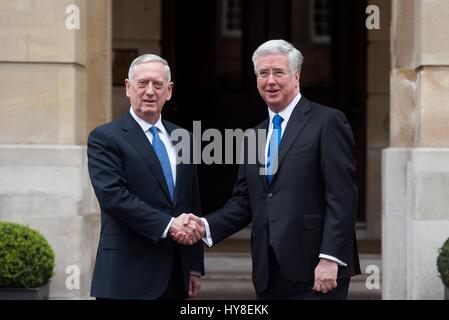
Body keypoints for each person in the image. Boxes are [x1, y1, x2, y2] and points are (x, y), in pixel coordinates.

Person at [172, 39, 361, 299]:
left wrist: (330, 258)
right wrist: (204, 226)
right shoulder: (253, 135)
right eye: (263, 73)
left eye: (278, 72)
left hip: (317, 270)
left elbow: (342, 197)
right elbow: (244, 202)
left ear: (296, 76)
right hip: (268, 273)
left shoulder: (328, 122)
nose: (270, 80)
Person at [87, 54, 205, 300]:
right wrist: (170, 225)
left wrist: (194, 265)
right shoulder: (105, 138)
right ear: (129, 87)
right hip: (126, 277)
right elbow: (114, 197)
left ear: (169, 91)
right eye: (142, 83)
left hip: (175, 275)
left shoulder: (183, 137)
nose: (150, 91)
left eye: (158, 84)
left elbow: (191, 202)